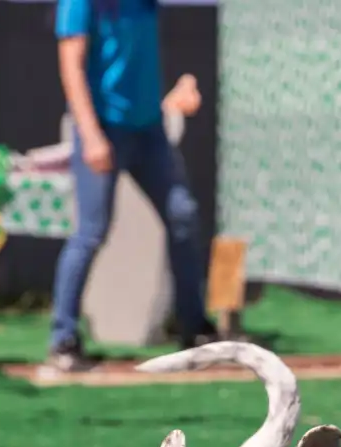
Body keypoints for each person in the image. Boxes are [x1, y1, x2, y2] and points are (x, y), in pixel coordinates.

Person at [50, 0, 217, 372]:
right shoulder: (79, 4)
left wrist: (176, 97)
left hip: (149, 130)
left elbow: (135, 65)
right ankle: (63, 337)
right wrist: (91, 135)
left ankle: (194, 327)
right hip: (103, 129)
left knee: (183, 215)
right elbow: (71, 67)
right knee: (91, 231)